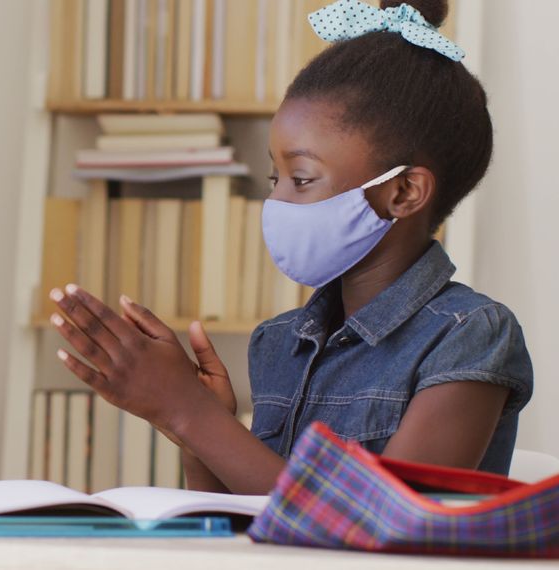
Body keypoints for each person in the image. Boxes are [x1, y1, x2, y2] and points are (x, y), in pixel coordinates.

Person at [48, 0, 532, 494]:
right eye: (275, 177)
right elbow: (246, 525)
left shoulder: (469, 335)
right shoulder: (277, 342)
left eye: (301, 179)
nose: (276, 201)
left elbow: (382, 528)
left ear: (403, 193)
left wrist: (188, 412)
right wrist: (196, 436)